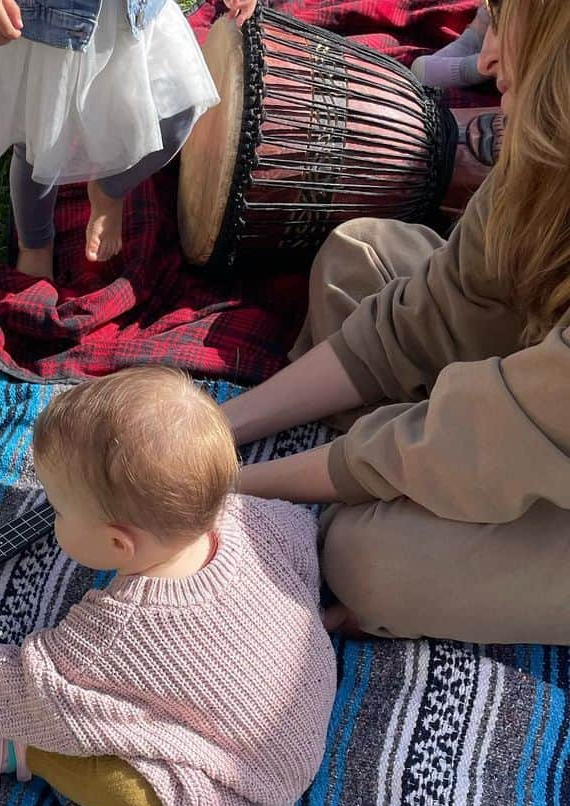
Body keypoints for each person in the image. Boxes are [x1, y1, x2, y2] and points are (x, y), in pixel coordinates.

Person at [220, 0, 570, 644]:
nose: (486, 60)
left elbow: (485, 434)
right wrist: (218, 428)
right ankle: (423, 471)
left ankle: (431, 496)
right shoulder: (547, 153)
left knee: (368, 559)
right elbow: (429, 314)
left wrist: (228, 484)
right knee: (359, 258)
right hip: (531, 407)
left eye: (510, 26)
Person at [0, 368, 336, 806]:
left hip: (237, 779)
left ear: (119, 544)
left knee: (127, 792)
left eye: (58, 510)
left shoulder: (115, 632)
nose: (50, 516)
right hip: (303, 710)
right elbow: (302, 546)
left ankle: (22, 750)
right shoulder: (257, 517)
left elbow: (17, 690)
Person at [0, 0, 255, 279]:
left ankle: (109, 190)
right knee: (40, 142)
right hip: (49, 24)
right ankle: (36, 243)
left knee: (180, 114)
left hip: (138, 15)